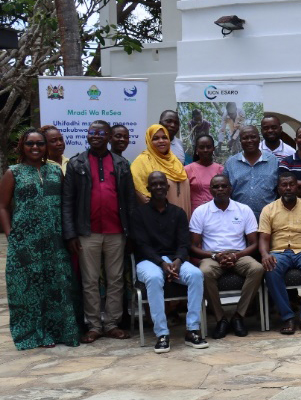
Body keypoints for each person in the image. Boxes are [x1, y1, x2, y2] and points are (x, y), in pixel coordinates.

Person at [0, 130, 81, 349]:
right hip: (26, 242)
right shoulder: (13, 173)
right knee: (28, 289)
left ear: (46, 147)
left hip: (55, 240)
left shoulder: (55, 171)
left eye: (39, 144)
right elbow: (3, 206)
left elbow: (66, 204)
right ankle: (33, 334)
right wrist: (10, 234)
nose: (35, 148)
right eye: (30, 144)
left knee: (57, 286)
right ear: (22, 146)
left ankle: (62, 331)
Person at [61, 120, 136, 343]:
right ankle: (93, 325)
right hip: (87, 233)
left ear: (109, 137)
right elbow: (67, 202)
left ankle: (112, 324)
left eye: (101, 133)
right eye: (92, 132)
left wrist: (131, 233)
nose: (95, 136)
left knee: (116, 280)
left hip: (116, 233)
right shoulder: (76, 164)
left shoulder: (122, 164)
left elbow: (130, 201)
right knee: (90, 281)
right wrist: (70, 234)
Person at [130, 171, 209, 352]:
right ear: (148, 188)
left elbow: (184, 243)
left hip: (175, 261)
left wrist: (178, 261)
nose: (158, 187)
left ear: (167, 187)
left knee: (196, 274)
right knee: (155, 278)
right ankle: (162, 334)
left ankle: (192, 330)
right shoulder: (139, 214)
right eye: (154, 184)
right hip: (148, 261)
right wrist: (161, 264)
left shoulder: (178, 213)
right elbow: (142, 245)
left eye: (162, 184)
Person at [189, 174, 264, 338]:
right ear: (210, 190)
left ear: (230, 189)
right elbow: (193, 246)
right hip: (212, 256)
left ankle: (239, 316)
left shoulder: (243, 209)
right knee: (204, 273)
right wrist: (215, 255)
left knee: (257, 268)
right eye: (216, 187)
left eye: (224, 186)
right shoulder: (201, 212)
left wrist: (236, 257)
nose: (220, 189)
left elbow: (254, 243)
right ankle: (220, 318)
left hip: (239, 254)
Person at [259, 172, 301, 335]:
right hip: (279, 253)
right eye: (284, 185)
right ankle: (287, 317)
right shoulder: (268, 209)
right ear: (278, 189)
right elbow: (263, 239)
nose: (288, 188)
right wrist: (265, 255)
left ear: (297, 187)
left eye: (291, 184)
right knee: (270, 268)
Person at [131, 123, 191, 216]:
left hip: (181, 214)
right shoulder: (142, 161)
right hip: (159, 216)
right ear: (149, 141)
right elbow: (141, 194)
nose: (161, 141)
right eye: (156, 138)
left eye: (164, 137)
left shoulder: (175, 161)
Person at [224, 125, 279, 219]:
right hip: (238, 218)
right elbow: (226, 191)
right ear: (240, 141)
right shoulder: (231, 162)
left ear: (259, 138)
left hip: (269, 218)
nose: (250, 140)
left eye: (253, 137)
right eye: (245, 138)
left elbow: (279, 189)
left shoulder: (273, 161)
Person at [185, 135, 224, 211]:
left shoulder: (220, 169)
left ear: (213, 149)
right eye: (202, 147)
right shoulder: (187, 170)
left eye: (208, 147)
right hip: (195, 212)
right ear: (196, 149)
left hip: (217, 211)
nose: (205, 150)